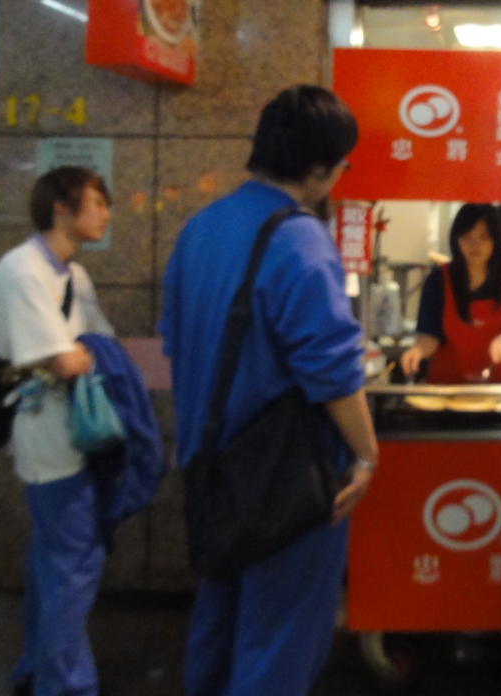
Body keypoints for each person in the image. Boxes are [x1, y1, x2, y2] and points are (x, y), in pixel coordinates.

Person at [160, 86, 378, 696]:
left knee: (218, 629)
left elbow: (176, 340)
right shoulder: (300, 239)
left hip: (211, 469)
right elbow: (333, 370)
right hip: (282, 483)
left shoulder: (200, 228)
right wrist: (367, 455)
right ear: (320, 169)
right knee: (278, 646)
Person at [0, 166, 115, 696]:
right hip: (49, 434)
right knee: (74, 562)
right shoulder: (24, 271)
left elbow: (98, 345)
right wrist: (81, 354)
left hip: (69, 428)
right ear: (61, 208)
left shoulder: (72, 275)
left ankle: (38, 668)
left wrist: (85, 354)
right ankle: (64, 685)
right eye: (97, 202)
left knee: (53, 559)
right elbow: (66, 361)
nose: (106, 213)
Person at [400, 204, 501, 384]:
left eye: (484, 237)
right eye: (467, 238)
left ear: (497, 239)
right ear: (456, 239)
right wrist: (417, 351)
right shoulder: (438, 279)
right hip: (448, 386)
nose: (475, 245)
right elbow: (428, 338)